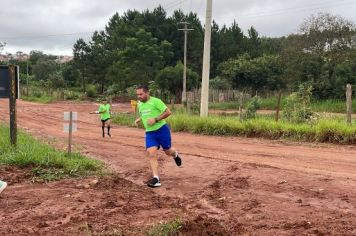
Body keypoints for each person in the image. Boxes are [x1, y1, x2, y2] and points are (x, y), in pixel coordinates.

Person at [135, 85, 182, 188]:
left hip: (162, 130)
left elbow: (168, 112)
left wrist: (156, 119)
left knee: (168, 151)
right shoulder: (139, 104)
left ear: (147, 93)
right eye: (137, 94)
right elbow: (144, 114)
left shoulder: (156, 101)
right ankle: (156, 178)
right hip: (150, 133)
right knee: (151, 153)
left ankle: (175, 155)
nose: (139, 96)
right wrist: (139, 119)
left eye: (141, 94)